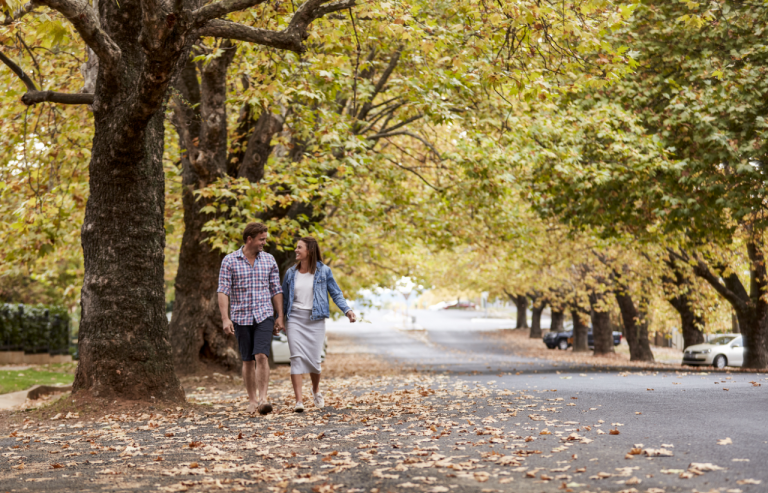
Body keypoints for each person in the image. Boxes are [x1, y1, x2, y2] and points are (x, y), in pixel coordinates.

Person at [281, 237, 356, 412]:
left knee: (315, 361)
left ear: (310, 251)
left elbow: (336, 293)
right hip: (295, 319)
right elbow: (284, 298)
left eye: (299, 248)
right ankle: (299, 401)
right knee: (296, 358)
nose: (296, 250)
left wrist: (347, 310)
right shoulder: (291, 273)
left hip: (315, 320)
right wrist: (279, 318)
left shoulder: (324, 271)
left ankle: (315, 390)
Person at [217, 222, 284, 415]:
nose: (264, 242)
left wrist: (279, 316)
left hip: (264, 314)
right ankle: (252, 400)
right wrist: (225, 318)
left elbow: (276, 289)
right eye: (261, 239)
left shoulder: (269, 260)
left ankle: (263, 399)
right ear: (250, 239)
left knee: (261, 355)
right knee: (247, 360)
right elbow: (223, 291)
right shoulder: (229, 261)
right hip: (240, 316)